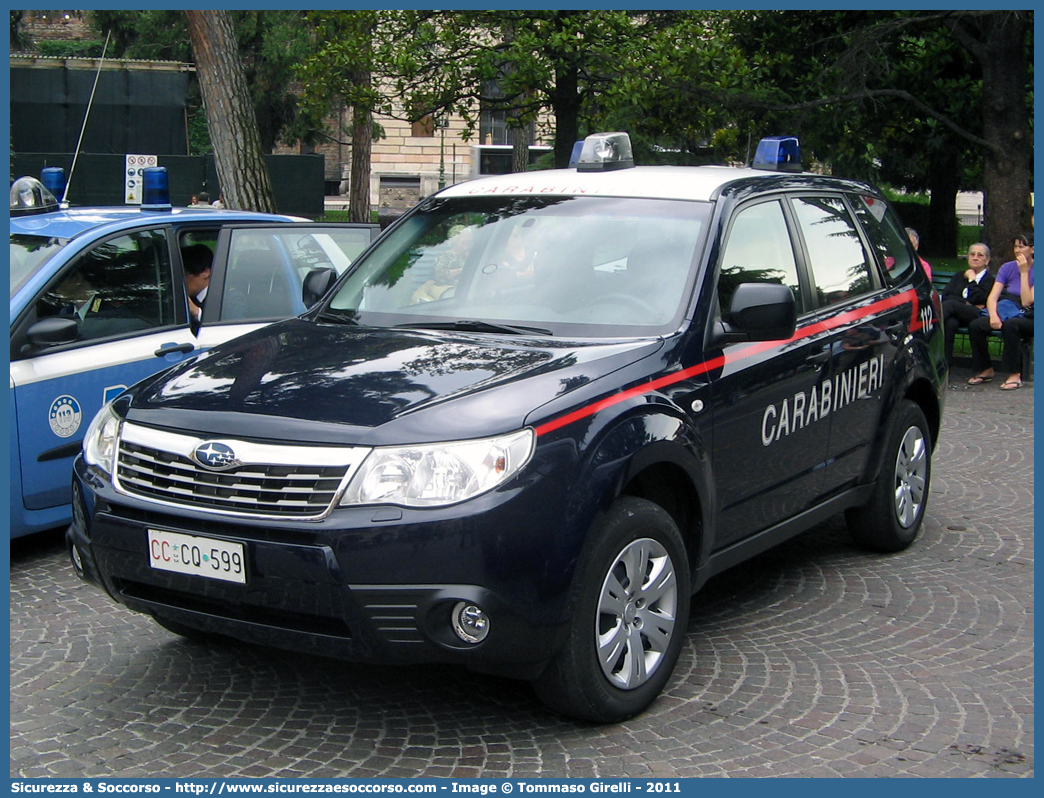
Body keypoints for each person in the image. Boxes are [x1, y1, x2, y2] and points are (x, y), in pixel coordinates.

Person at [966, 233, 1034, 390]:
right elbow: (992, 297)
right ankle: (985, 368)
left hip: (1030, 314)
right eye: (1015, 246)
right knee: (976, 325)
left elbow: (1027, 301)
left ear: (1032, 249)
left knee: (1010, 325)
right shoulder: (1007, 267)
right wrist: (994, 316)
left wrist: (1024, 273)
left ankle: (1014, 374)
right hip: (1008, 308)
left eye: (1021, 247)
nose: (1017, 250)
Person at [940, 243, 995, 365]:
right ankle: (945, 366)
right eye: (972, 254)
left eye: (980, 255)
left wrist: (972, 280)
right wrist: (965, 303)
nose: (975, 257)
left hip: (977, 315)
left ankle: (932, 326)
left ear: (987, 260)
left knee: (952, 305)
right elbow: (946, 295)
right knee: (950, 324)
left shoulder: (989, 280)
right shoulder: (959, 275)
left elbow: (979, 297)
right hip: (958, 314)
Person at [181, 244, 213, 333]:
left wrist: (196, 312)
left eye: (185, 274)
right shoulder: (192, 299)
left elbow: (230, 331)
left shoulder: (228, 298)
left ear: (206, 272)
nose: (182, 280)